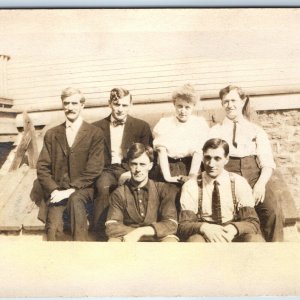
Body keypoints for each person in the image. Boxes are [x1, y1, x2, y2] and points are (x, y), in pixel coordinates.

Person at [209, 85, 284, 242]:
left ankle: (277, 256)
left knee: (272, 211)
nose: (230, 105)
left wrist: (260, 184)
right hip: (229, 175)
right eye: (226, 101)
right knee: (234, 216)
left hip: (255, 176)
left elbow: (267, 162)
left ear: (243, 101)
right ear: (222, 104)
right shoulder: (215, 131)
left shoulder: (255, 130)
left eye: (234, 100)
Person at [37, 87, 104, 241]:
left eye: (74, 103)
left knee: (76, 208)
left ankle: (80, 256)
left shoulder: (95, 133)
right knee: (53, 229)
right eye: (66, 103)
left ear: (82, 105)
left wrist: (71, 190)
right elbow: (42, 167)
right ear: (62, 105)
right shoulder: (52, 134)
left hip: (85, 191)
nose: (70, 107)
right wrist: (53, 190)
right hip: (58, 192)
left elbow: (95, 169)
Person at [178, 138, 265, 242]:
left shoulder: (239, 182)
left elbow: (252, 222)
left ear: (226, 159)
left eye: (217, 158)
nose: (211, 164)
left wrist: (234, 229)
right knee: (195, 241)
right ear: (202, 157)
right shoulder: (191, 185)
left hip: (232, 235)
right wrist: (204, 228)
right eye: (207, 158)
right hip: (205, 235)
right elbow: (183, 226)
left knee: (255, 240)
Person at [93, 88, 153, 236]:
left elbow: (147, 155)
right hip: (106, 170)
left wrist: (130, 171)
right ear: (109, 104)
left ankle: (135, 230)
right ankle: (101, 233)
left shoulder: (141, 126)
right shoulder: (96, 127)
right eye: (116, 104)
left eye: (124, 105)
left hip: (130, 168)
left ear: (131, 104)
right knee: (103, 186)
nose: (120, 109)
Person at [105, 143, 178, 242]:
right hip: (128, 238)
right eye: (134, 164)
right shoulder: (119, 193)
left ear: (150, 166)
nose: (138, 169)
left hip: (156, 237)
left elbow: (171, 224)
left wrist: (140, 232)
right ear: (128, 165)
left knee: (170, 242)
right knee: (113, 242)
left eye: (142, 164)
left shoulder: (163, 190)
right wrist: (134, 233)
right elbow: (111, 226)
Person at [153, 84, 209, 185]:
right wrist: (168, 177)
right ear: (174, 104)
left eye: (187, 107)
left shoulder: (199, 124)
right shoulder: (165, 123)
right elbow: (162, 151)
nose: (183, 111)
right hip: (169, 167)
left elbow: (198, 152)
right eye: (180, 106)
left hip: (192, 166)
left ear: (193, 106)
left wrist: (192, 176)